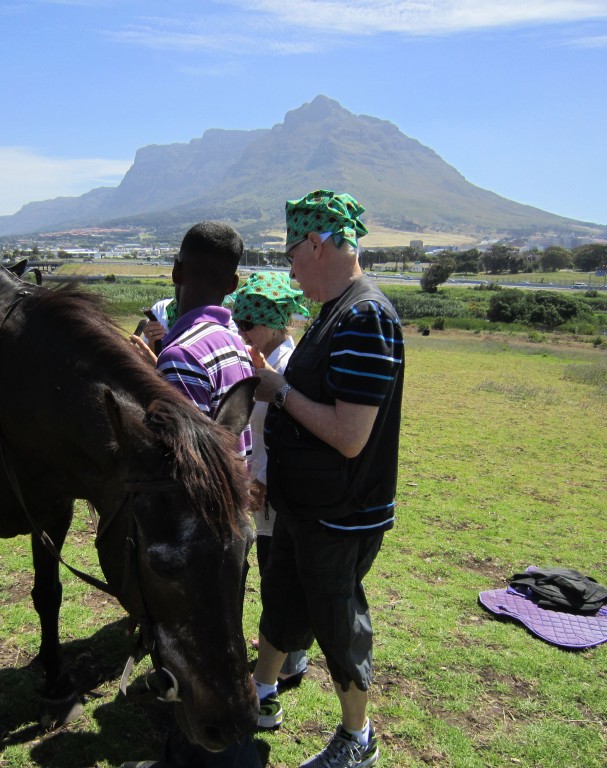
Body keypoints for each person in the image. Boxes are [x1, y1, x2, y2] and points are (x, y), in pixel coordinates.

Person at [250, 191, 404, 768]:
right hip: (304, 505)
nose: (289, 269)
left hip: (340, 512)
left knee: (337, 620)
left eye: (292, 255)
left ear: (316, 244)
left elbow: (348, 435)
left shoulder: (364, 317)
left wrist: (280, 392)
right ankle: (261, 694)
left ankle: (357, 738)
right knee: (283, 602)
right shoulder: (333, 311)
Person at [127, 220, 259, 768]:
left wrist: (143, 381)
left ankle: (211, 757)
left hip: (196, 532)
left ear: (177, 273)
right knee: (225, 644)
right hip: (230, 521)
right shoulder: (234, 341)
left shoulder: (179, 355)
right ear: (232, 286)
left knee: (197, 652)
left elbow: (177, 463)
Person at [231, 272, 309, 688]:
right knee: (272, 573)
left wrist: (259, 480)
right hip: (264, 487)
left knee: (278, 577)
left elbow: (283, 436)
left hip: (276, 492)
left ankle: (289, 658)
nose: (241, 333)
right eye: (237, 324)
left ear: (273, 322)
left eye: (247, 325)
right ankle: (283, 649)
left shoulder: (289, 368)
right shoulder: (267, 360)